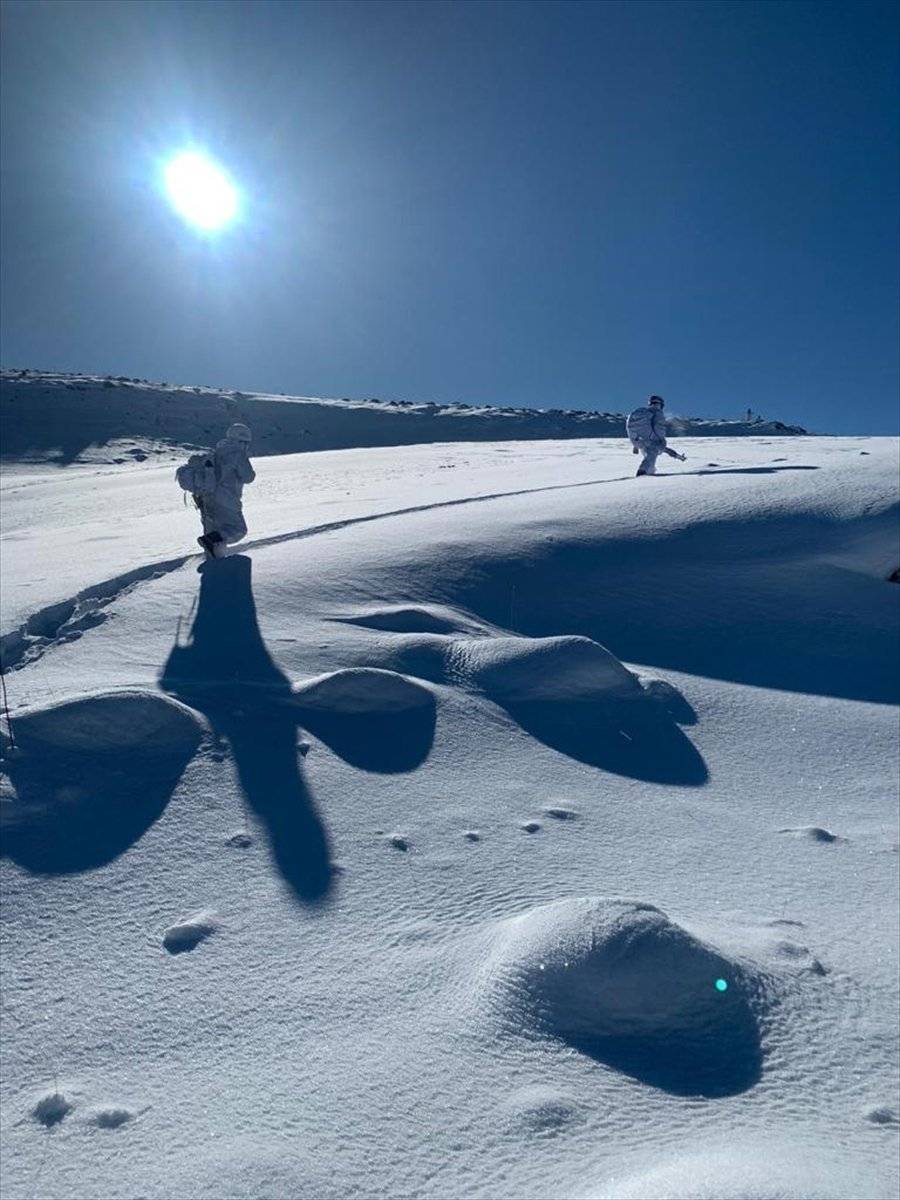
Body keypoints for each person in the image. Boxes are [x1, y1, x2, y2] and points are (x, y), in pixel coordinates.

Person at [197, 422, 256, 557]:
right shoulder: (238, 454)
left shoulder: (217, 451)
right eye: (245, 443)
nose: (246, 446)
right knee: (238, 530)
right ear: (240, 441)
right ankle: (210, 542)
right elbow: (248, 476)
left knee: (215, 531)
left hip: (206, 496)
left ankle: (214, 561)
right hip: (227, 498)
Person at [625, 394, 671, 477]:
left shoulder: (644, 413)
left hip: (638, 440)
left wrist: (635, 445)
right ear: (660, 404)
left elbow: (637, 429)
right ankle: (643, 471)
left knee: (649, 455)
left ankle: (650, 471)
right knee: (652, 453)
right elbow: (659, 428)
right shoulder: (657, 413)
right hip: (650, 440)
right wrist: (661, 440)